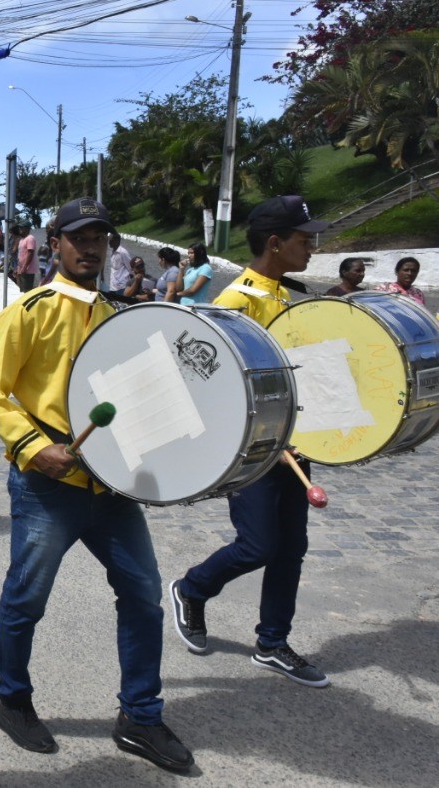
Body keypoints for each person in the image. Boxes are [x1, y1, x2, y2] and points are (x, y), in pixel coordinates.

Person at [0, 197, 193, 773]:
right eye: (79, 237)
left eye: (101, 238)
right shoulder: (29, 312)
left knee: (144, 595)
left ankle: (140, 716)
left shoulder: (120, 315)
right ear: (55, 245)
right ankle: (13, 699)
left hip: (111, 487)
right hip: (48, 483)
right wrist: (30, 446)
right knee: (27, 598)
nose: (91, 247)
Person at [170, 194, 332, 689]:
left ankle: (272, 641)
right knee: (259, 545)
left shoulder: (287, 294)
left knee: (291, 550)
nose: (312, 248)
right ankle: (192, 588)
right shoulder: (236, 301)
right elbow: (211, 382)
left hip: (296, 444)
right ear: (276, 243)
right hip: (255, 449)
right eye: (305, 240)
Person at [15, 223, 38, 292]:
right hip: (21, 269)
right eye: (19, 228)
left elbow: (30, 253)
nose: (20, 229)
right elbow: (20, 254)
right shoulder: (22, 240)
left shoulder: (30, 238)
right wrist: (18, 268)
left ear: (27, 228)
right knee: (21, 290)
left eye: (21, 227)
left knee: (27, 291)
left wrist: (24, 267)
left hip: (27, 270)